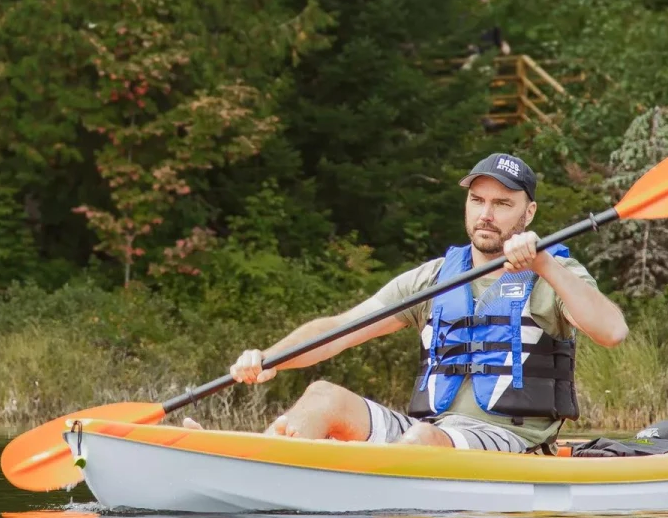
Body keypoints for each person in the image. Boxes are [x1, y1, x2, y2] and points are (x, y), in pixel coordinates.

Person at [222, 152, 627, 452]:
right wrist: (267, 359)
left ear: (529, 211)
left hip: (513, 443)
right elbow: (336, 330)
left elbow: (612, 332)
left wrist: (544, 266)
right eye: (477, 201)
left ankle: (341, 476)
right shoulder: (433, 278)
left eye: (502, 204)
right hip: (431, 433)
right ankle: (263, 458)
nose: (486, 214)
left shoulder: (555, 274)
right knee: (323, 396)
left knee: (422, 438)